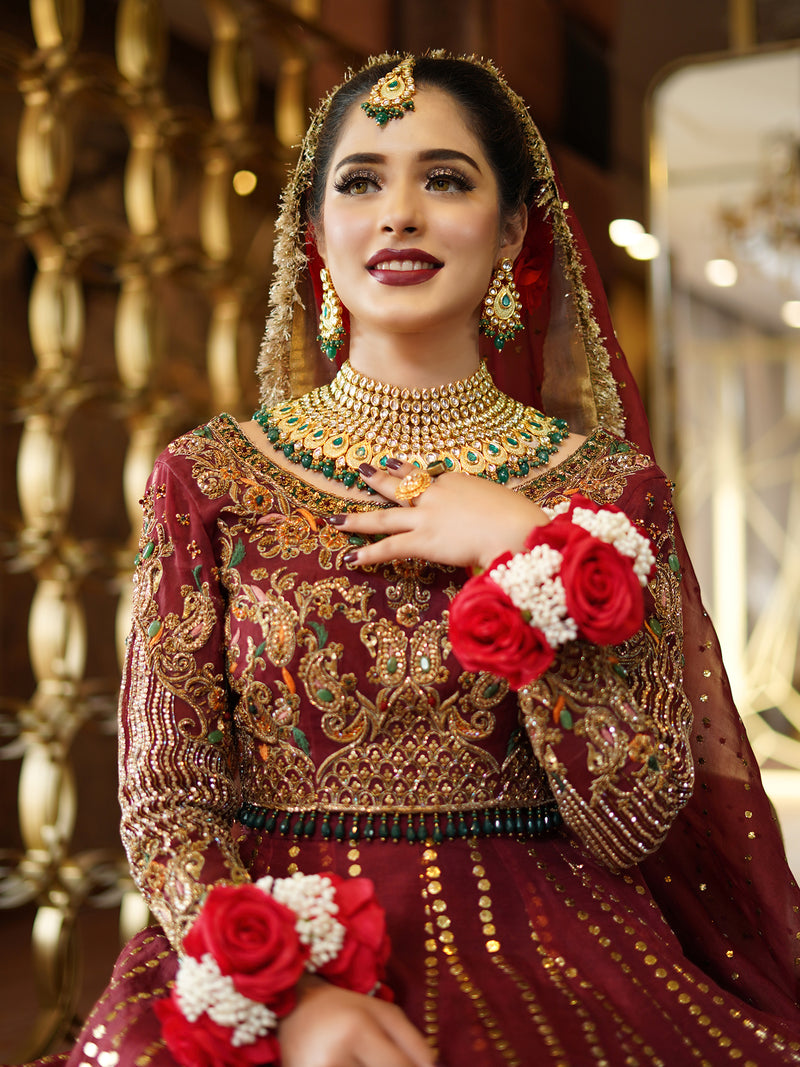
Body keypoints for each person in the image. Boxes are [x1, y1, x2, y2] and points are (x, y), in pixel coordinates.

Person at [39, 52, 800, 1067]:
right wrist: (288, 994)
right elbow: (168, 796)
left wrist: (526, 551)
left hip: (558, 960)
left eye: (444, 178)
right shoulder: (210, 476)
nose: (398, 214)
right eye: (360, 182)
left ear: (514, 229)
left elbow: (632, 821)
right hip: (283, 955)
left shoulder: (609, 490)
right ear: (316, 235)